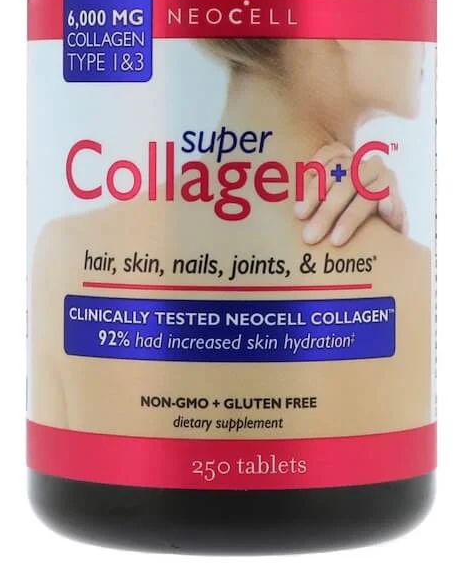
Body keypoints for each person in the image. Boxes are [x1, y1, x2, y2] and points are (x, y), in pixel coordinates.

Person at [30, 36, 432, 437]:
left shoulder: (67, 254)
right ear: (347, 24)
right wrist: (390, 256)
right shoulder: (410, 282)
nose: (423, 45)